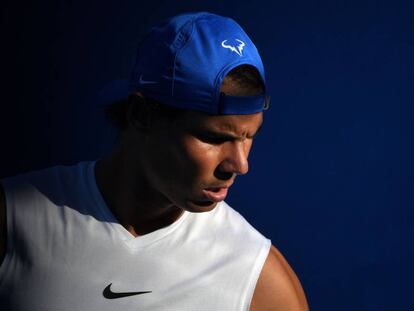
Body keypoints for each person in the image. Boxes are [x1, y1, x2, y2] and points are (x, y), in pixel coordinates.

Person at [0, 12, 308, 310]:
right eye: (214, 138)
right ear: (141, 115)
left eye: (248, 136)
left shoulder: (261, 285)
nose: (239, 165)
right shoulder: (15, 219)